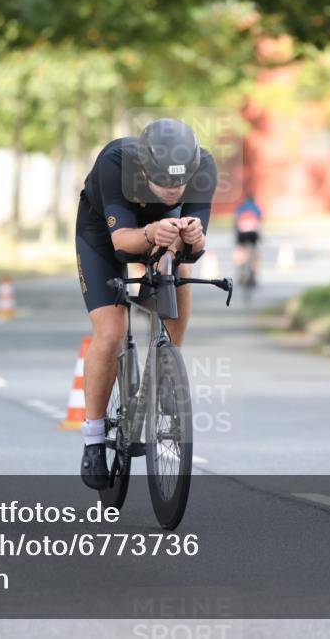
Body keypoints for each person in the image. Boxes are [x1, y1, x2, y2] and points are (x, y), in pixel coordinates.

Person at [74, 118, 217, 490]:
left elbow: (196, 249)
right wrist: (152, 232)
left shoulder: (204, 165)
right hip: (102, 233)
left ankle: (168, 369)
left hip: (162, 230)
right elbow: (121, 241)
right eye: (163, 183)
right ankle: (92, 437)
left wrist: (193, 238)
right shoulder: (117, 163)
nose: (172, 191)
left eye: (179, 183)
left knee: (178, 272)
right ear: (145, 169)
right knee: (112, 330)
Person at [233, 193, 262, 286]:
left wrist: (236, 234)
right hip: (253, 232)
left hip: (242, 231)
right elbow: (259, 222)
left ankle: (241, 271)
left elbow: (236, 220)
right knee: (254, 249)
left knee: (241, 249)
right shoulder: (256, 207)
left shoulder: (241, 207)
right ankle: (253, 272)